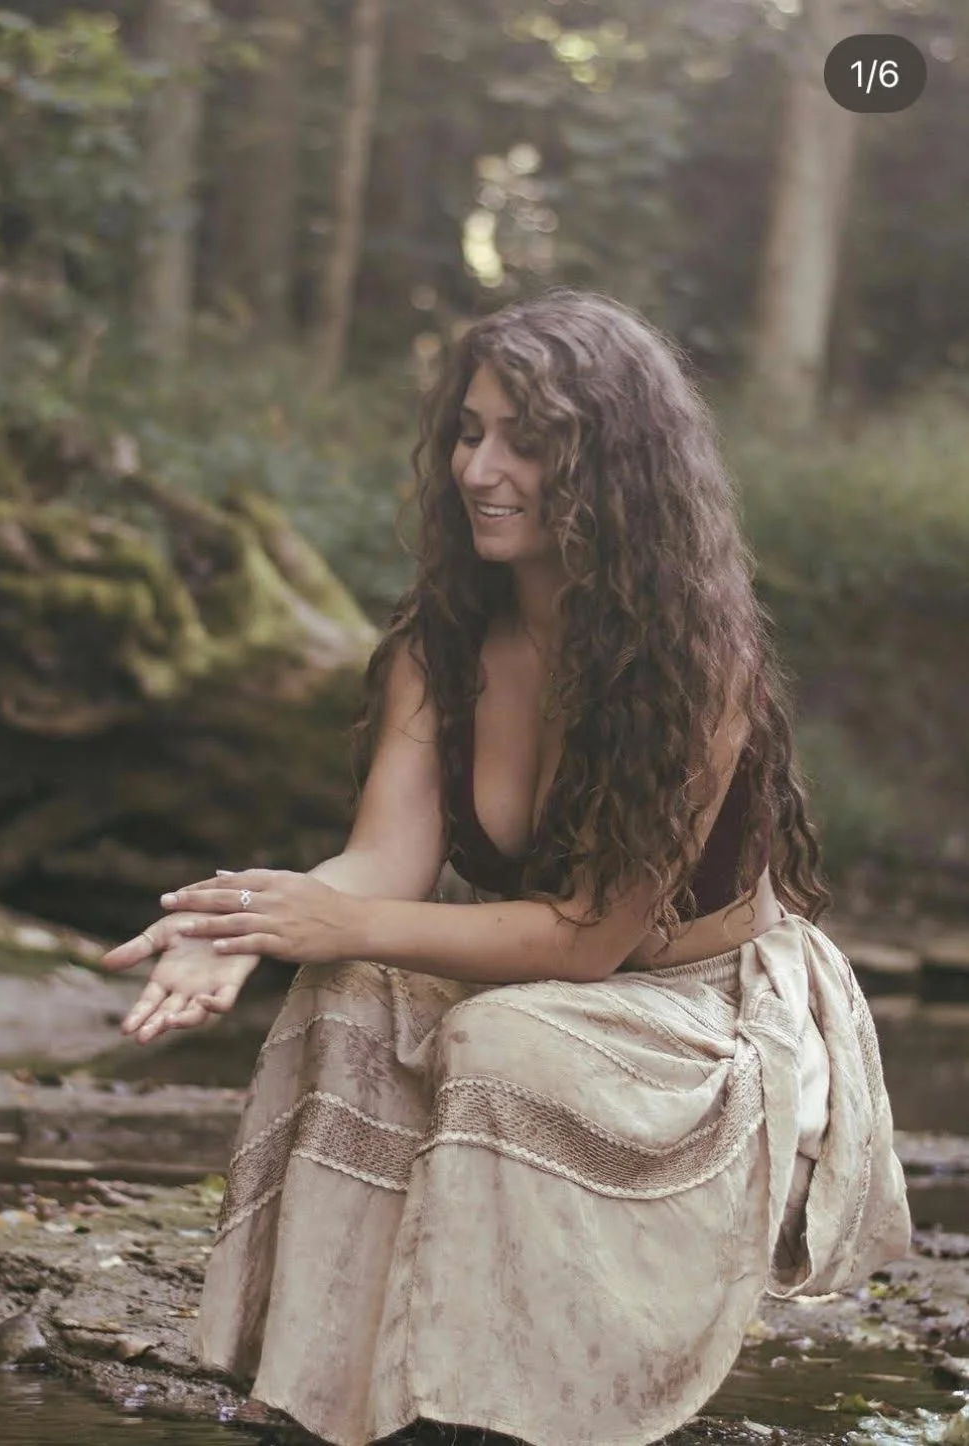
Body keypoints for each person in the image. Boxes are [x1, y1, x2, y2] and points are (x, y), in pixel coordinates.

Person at [100, 289, 911, 1446]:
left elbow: (587, 939)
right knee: (347, 992)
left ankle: (495, 1405)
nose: (479, 469)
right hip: (555, 992)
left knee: (499, 1036)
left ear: (613, 465)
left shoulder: (695, 664)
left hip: (705, 1025)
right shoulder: (442, 646)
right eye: (469, 433)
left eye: (526, 442)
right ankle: (330, 1390)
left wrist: (332, 922)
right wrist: (243, 923)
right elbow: (383, 863)